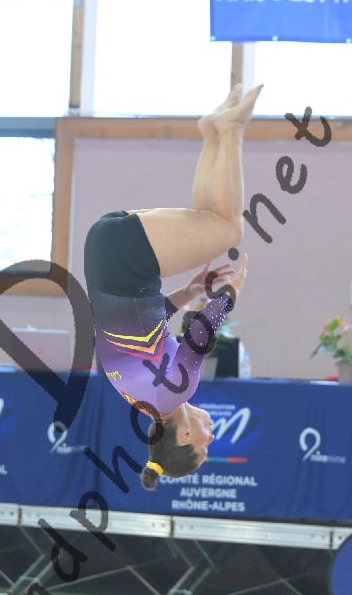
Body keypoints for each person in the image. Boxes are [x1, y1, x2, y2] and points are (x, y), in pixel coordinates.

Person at [82, 83, 262, 489]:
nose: (211, 438)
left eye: (204, 447)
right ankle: (213, 131)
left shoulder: (174, 394)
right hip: (106, 249)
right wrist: (191, 291)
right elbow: (139, 328)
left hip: (128, 262)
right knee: (210, 219)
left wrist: (231, 293)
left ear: (185, 437)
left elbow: (199, 334)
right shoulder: (139, 397)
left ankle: (231, 129)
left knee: (230, 229)